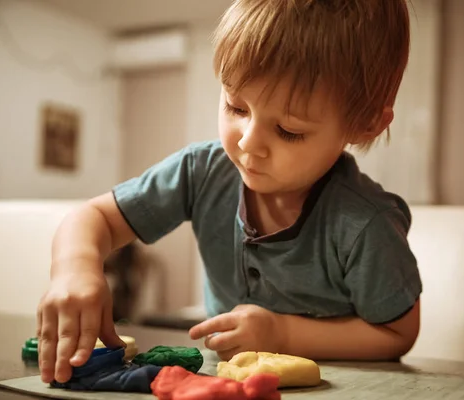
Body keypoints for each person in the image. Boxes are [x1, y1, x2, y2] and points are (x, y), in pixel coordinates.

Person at [37, 0, 422, 385]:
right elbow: (95, 218)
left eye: (289, 130)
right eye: (236, 107)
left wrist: (282, 333)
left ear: (365, 123)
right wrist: (75, 268)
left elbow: (396, 334)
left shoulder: (366, 223)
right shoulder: (202, 171)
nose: (249, 143)